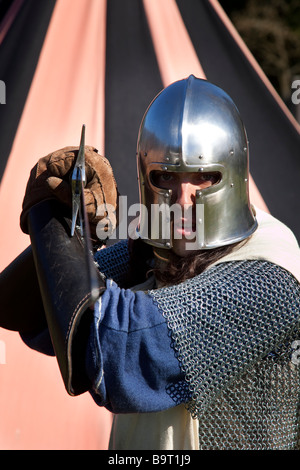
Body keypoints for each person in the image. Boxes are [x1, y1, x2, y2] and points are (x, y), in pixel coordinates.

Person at [5, 76, 300, 450]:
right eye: (166, 178)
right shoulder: (157, 251)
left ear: (235, 172)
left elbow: (114, 349)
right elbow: (26, 309)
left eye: (204, 177)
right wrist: (74, 225)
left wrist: (46, 216)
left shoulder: (269, 275)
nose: (181, 201)